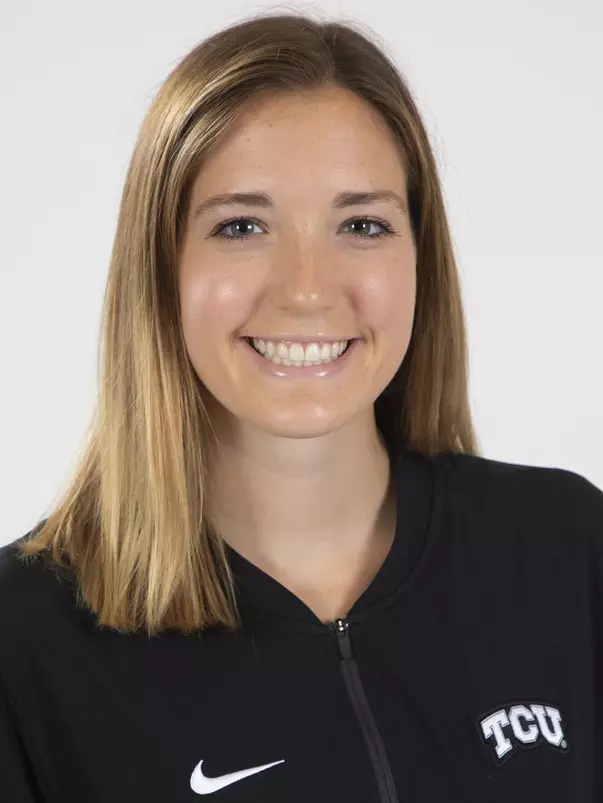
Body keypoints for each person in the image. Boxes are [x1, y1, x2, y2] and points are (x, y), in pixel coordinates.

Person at [0, 10, 601, 803]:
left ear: (420, 258)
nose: (309, 288)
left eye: (362, 223)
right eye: (241, 225)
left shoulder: (566, 546)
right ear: (161, 269)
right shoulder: (25, 642)